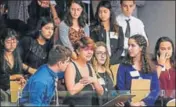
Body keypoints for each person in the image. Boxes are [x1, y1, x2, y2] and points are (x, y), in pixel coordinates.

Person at [116, 35, 160, 106]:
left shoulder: (151, 68)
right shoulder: (123, 67)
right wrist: (130, 103)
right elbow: (121, 87)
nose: (129, 48)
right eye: (128, 45)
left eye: (133, 45)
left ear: (141, 48)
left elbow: (156, 89)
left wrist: (142, 103)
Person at [90, 0, 124, 85]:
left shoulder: (118, 29)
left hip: (115, 63)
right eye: (100, 12)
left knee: (115, 85)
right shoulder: (94, 29)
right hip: (99, 63)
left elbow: (120, 48)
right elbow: (93, 46)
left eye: (105, 11)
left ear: (110, 12)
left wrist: (110, 61)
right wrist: (103, 61)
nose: (102, 14)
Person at [63, 37, 104, 106]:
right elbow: (71, 91)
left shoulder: (90, 67)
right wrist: (86, 81)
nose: (90, 52)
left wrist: (94, 80)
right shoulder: (71, 66)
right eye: (86, 49)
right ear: (78, 51)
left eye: (91, 49)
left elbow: (101, 92)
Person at [0, 28, 25, 101]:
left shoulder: (17, 54)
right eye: (8, 42)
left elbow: (19, 73)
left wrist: (21, 79)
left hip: (14, 89)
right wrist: (13, 77)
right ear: (2, 41)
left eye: (14, 42)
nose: (12, 45)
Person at [153, 37, 175, 106]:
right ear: (158, 50)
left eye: (169, 48)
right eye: (163, 49)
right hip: (158, 101)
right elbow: (151, 82)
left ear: (172, 50)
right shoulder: (152, 65)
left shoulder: (174, 65)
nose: (166, 51)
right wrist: (160, 64)